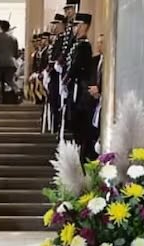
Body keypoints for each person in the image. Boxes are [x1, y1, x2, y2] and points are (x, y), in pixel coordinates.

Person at [63, 14, 94, 150]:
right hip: (74, 87)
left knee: (79, 122)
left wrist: (68, 77)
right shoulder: (77, 45)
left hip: (80, 89)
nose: (74, 29)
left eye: (76, 25)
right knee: (74, 121)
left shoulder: (84, 46)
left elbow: (77, 66)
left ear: (84, 26)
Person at [0, 20, 18, 105]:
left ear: (1, 28)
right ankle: (17, 89)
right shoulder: (14, 38)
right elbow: (15, 53)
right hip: (11, 63)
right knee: (9, 80)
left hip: (1, 63)